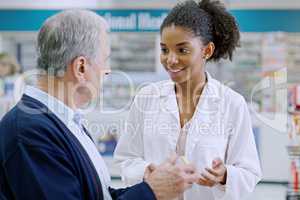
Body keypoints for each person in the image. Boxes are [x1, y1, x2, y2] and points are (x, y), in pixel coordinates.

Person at [0, 10, 199, 200]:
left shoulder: (67, 123)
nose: (108, 70)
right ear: (81, 67)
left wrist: (151, 185)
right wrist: (151, 192)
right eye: (105, 60)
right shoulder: (30, 132)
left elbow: (97, 195)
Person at [114, 0, 262, 199]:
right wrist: (148, 171)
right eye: (165, 50)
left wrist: (225, 175)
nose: (171, 60)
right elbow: (126, 159)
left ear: (207, 51)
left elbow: (249, 172)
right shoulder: (146, 98)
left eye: (182, 50)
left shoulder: (232, 104)